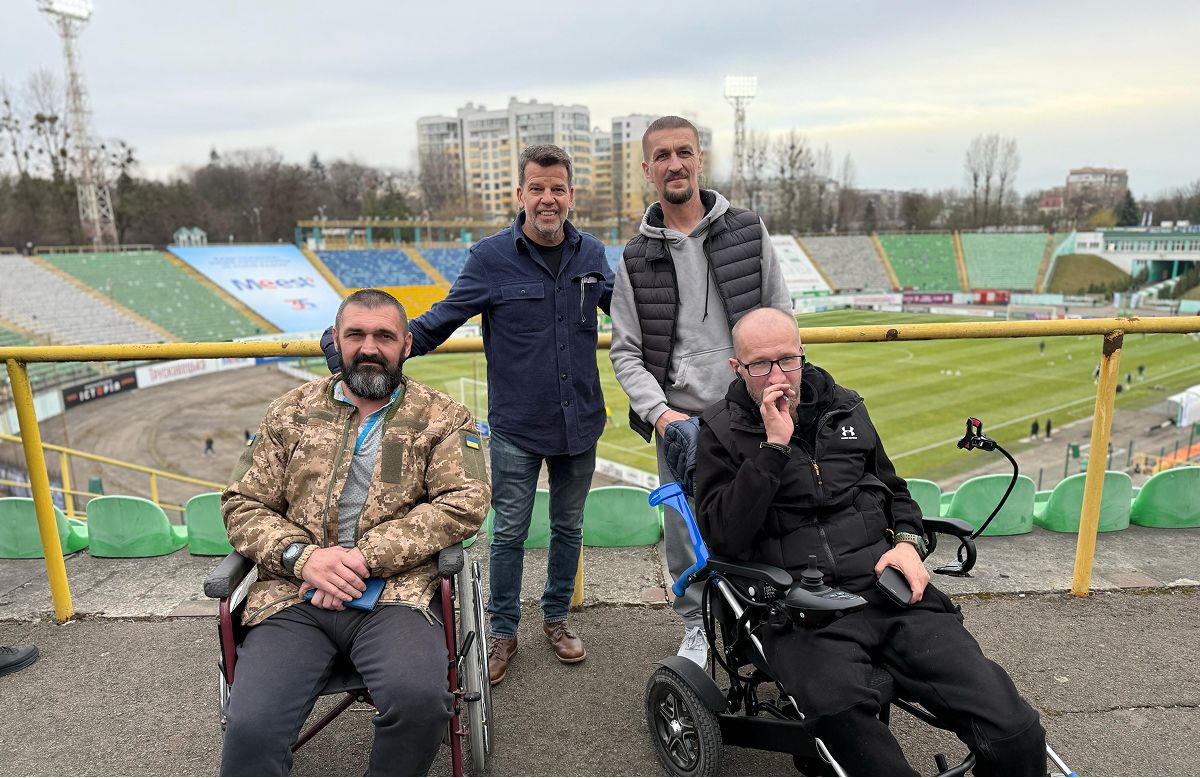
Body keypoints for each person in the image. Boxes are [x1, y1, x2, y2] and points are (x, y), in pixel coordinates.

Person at [695, 308, 1046, 776]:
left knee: (1016, 731)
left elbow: (895, 491)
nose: (778, 375)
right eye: (761, 364)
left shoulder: (846, 407)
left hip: (890, 591)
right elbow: (723, 536)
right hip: (796, 607)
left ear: (803, 354)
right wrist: (774, 449)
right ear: (737, 369)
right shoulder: (719, 430)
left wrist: (906, 543)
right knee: (858, 740)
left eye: (787, 360)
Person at [324, 145, 612, 685]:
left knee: (569, 526)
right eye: (537, 188)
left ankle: (555, 619)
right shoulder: (489, 257)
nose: (547, 199)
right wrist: (352, 348)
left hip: (581, 423)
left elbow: (631, 316)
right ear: (520, 194)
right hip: (516, 429)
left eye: (557, 189)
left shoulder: (592, 254)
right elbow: (438, 321)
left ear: (571, 195)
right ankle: (503, 632)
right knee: (508, 533)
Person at [220, 289, 490, 776]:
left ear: (406, 344)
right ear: (336, 341)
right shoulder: (289, 413)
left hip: (396, 596)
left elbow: (464, 503)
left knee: (421, 705)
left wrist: (361, 558)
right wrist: (305, 558)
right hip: (291, 597)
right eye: (356, 335)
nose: (369, 347)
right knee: (251, 728)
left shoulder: (444, 418)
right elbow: (242, 503)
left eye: (384, 336)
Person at [610, 115, 790, 667]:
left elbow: (780, 318)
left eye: (682, 152)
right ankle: (695, 626)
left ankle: (766, 625)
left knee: (764, 521)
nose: (674, 164)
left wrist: (772, 392)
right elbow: (625, 352)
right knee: (684, 536)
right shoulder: (635, 258)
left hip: (748, 416)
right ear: (647, 170)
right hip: (681, 423)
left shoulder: (747, 230)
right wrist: (663, 417)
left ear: (699, 159)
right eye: (661, 156)